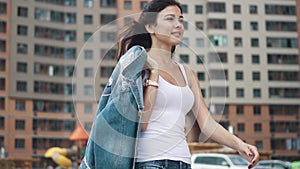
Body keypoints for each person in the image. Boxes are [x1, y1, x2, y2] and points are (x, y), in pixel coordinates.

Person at [116, 0, 260, 169]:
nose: (178, 25)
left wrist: (240, 145)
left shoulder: (187, 73)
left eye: (181, 20)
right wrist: (154, 72)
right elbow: (143, 122)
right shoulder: (136, 67)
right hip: (149, 162)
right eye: (170, 19)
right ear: (150, 27)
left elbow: (206, 123)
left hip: (183, 161)